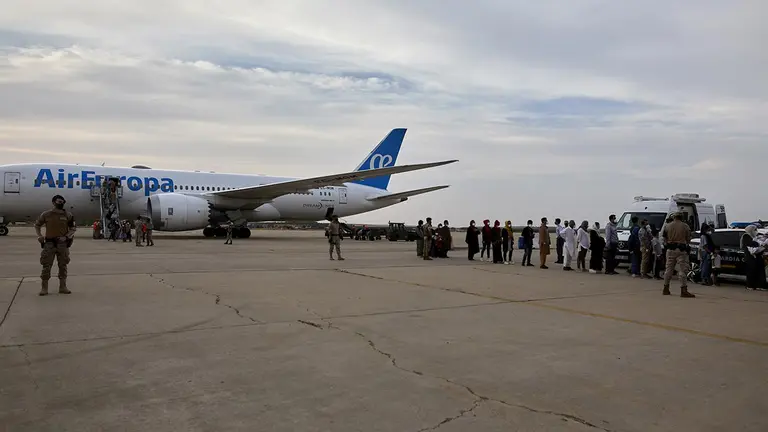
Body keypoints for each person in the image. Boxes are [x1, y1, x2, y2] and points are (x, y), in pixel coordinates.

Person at [34, 195, 76, 296]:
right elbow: (37, 225)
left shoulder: (68, 215)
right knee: (46, 265)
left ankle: (63, 286)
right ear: (53, 202)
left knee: (63, 265)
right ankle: (44, 288)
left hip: (62, 244)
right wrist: (39, 236)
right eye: (59, 201)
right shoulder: (46, 214)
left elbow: (73, 228)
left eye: (62, 202)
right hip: (49, 244)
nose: (61, 203)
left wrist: (66, 237)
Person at [662, 213, 695, 298]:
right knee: (682, 270)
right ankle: (683, 290)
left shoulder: (667, 226)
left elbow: (664, 238)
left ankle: (666, 288)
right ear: (681, 217)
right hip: (681, 250)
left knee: (668, 269)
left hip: (670, 249)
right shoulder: (685, 226)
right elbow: (688, 238)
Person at [741, 225, 766, 290]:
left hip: (756, 258)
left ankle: (759, 285)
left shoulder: (755, 237)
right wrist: (760, 245)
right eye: (754, 230)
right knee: (751, 272)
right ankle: (750, 285)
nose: (756, 231)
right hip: (750, 258)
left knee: (758, 272)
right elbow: (751, 244)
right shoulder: (746, 236)